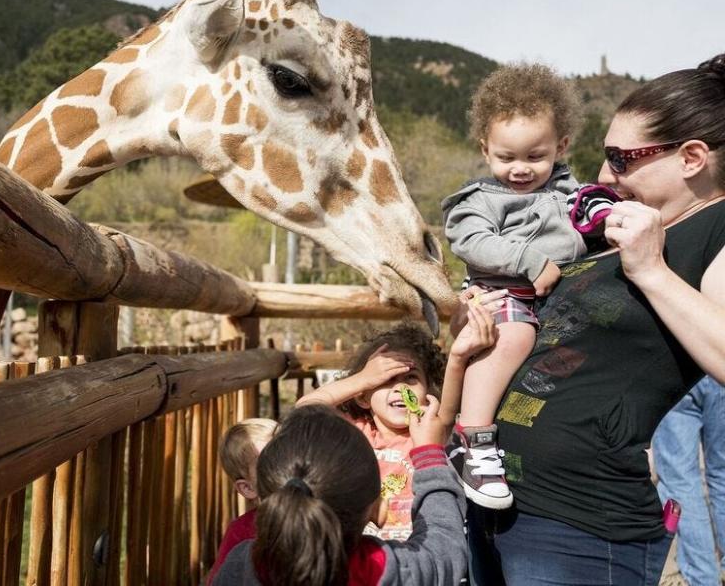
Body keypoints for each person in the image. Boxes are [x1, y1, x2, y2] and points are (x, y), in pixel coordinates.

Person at [454, 53, 725, 586]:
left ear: (692, 157)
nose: (604, 175)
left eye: (621, 159)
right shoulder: (625, 225)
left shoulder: (715, 230)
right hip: (502, 505)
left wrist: (650, 270)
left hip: (580, 525)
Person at [440, 63, 587, 509]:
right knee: (513, 336)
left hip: (557, 302)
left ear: (560, 146)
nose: (520, 169)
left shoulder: (571, 193)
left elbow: (589, 229)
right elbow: (469, 240)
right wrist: (527, 258)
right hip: (501, 296)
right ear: (486, 150)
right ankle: (474, 441)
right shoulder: (482, 200)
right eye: (507, 158)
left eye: (534, 156)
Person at [211, 402, 467, 585]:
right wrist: (429, 454)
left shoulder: (243, 564)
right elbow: (444, 548)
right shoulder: (382, 570)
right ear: (377, 508)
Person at [296, 309, 497, 540]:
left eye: (411, 378)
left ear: (428, 391)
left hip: (423, 550)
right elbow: (305, 411)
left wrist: (459, 356)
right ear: (362, 397)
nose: (401, 389)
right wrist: (362, 378)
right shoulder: (354, 432)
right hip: (367, 553)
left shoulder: (430, 429)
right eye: (386, 380)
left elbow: (449, 404)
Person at [652, 376, 725, 585]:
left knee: (679, 482)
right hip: (719, 363)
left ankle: (703, 578)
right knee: (722, 475)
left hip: (681, 372)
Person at [206, 417, 278, 585]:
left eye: (286, 455)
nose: (284, 466)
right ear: (248, 488)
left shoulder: (321, 511)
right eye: (269, 464)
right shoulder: (241, 532)